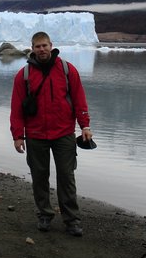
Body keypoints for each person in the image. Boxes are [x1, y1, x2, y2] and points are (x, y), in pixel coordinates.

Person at [10, 31, 93, 236]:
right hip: (36, 134)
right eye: (38, 46)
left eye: (45, 45)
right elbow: (16, 108)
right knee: (39, 177)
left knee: (66, 176)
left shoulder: (66, 69)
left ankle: (72, 220)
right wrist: (17, 135)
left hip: (63, 133)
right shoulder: (24, 74)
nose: (42, 49)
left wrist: (85, 125)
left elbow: (79, 99)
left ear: (51, 45)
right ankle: (44, 215)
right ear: (32, 48)